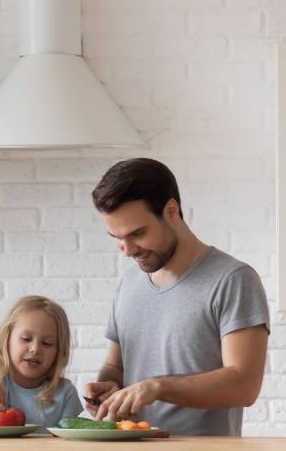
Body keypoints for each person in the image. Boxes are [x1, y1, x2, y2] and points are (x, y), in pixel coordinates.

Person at [85, 158, 269, 435]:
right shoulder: (129, 283)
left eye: (138, 233)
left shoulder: (233, 280)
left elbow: (244, 385)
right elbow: (115, 366)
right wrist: (107, 387)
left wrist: (157, 387)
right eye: (117, 237)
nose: (127, 250)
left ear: (171, 210)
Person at [0, 295, 82, 430]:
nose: (35, 349)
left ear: (59, 351)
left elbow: (71, 440)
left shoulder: (65, 392)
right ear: (7, 340)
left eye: (47, 343)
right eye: (26, 339)